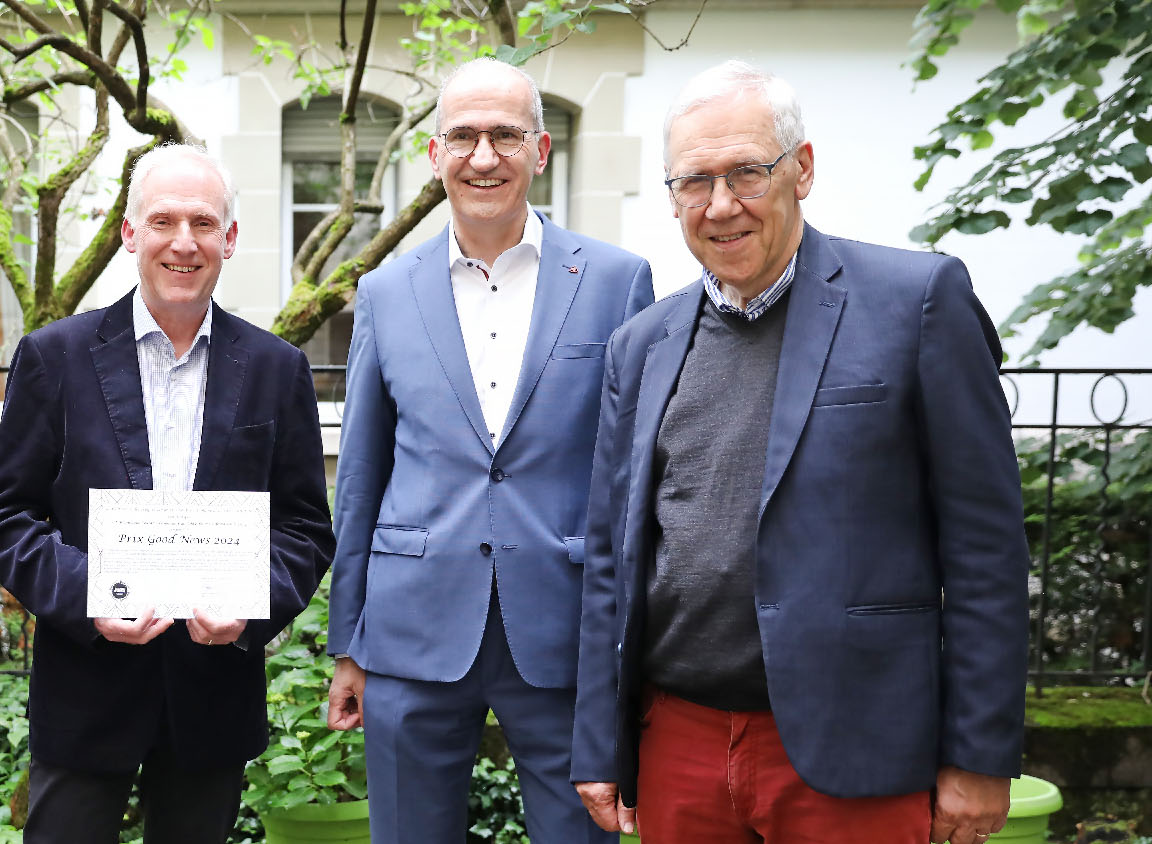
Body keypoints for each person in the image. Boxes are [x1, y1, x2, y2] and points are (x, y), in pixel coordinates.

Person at [570, 60, 1028, 844]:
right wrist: (598, 743)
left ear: (801, 169)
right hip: (679, 740)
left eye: (746, 172)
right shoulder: (638, 345)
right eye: (694, 182)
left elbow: (986, 550)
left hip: (859, 747)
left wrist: (980, 757)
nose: (721, 206)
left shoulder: (917, 303)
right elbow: (612, 559)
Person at [324, 57, 654, 844]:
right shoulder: (384, 290)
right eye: (463, 136)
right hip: (411, 628)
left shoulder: (617, 281)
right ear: (433, 155)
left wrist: (633, 639)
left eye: (505, 135)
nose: (483, 156)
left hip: (566, 625)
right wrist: (347, 642)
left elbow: (635, 475)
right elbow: (362, 474)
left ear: (540, 151)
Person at [0, 143, 335, 844]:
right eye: (163, 220)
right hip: (85, 693)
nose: (183, 242)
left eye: (203, 223)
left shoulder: (275, 368)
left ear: (228, 240)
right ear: (129, 233)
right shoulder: (54, 357)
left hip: (212, 697)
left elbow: (303, 529)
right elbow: (5, 518)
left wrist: (247, 599)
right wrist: (95, 593)